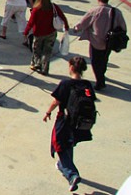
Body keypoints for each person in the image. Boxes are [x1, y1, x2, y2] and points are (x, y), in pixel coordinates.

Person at [42, 56, 96, 192]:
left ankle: (72, 175)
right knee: (69, 143)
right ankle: (62, 165)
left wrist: (48, 112)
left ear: (71, 67)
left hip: (64, 120)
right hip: (80, 122)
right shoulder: (87, 85)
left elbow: (56, 101)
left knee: (58, 144)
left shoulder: (65, 84)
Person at [72, 0, 127, 90]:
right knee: (104, 59)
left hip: (96, 42)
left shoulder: (95, 11)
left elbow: (83, 23)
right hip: (109, 43)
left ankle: (100, 81)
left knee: (95, 62)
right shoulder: (116, 12)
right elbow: (123, 27)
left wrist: (76, 29)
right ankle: (102, 73)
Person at [25, 0, 69, 75]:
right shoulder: (53, 7)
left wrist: (26, 31)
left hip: (39, 33)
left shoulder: (36, 9)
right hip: (51, 33)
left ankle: (36, 64)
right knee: (47, 51)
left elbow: (31, 22)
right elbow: (62, 16)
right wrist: (66, 26)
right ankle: (45, 69)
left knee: (37, 49)